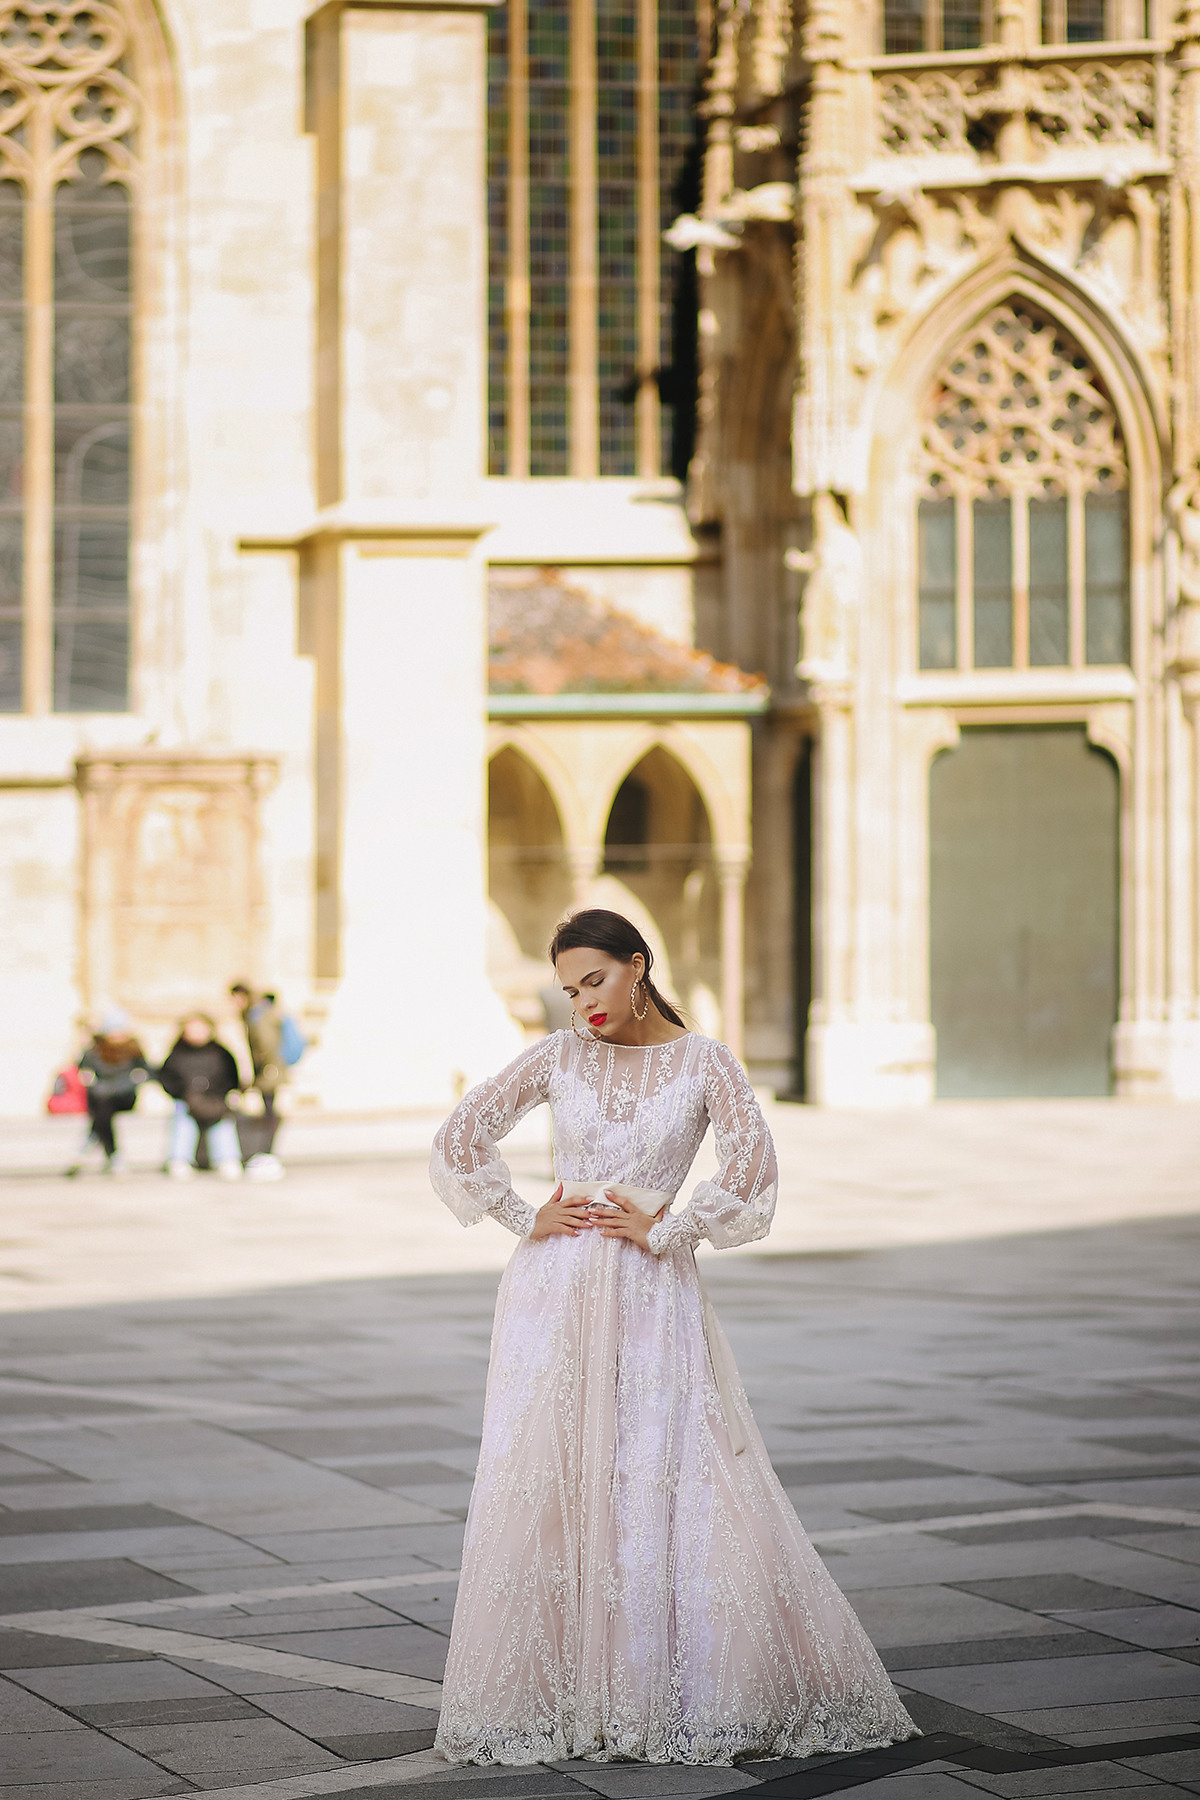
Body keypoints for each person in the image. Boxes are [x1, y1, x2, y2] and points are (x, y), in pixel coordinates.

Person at [429, 907, 917, 1768]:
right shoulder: (558, 1054)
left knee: (665, 1464)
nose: (585, 1002)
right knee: (551, 1471)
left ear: (638, 965)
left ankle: (661, 1681)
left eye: (597, 980)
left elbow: (754, 1168)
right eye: (570, 988)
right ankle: (561, 1687)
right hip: (554, 1289)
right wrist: (523, 1215)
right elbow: (461, 1134)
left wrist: (675, 1230)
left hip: (652, 1287)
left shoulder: (704, 1063)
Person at [157, 1015, 243, 1181]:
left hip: (215, 1099)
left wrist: (218, 1093)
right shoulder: (177, 1053)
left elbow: (232, 1077)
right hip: (186, 1100)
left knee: (222, 1120)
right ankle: (179, 1159)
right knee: (181, 1115)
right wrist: (183, 1093)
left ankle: (227, 1159)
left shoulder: (221, 1053)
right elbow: (166, 1078)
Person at [66, 1009, 149, 1177]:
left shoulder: (134, 1049)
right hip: (102, 1097)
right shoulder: (94, 1050)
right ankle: (114, 1156)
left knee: (103, 1107)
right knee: (104, 1107)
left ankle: (88, 1145)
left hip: (125, 1096)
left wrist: (132, 1082)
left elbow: (145, 1072)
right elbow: (83, 1071)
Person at [229, 982, 286, 1180]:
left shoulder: (257, 1014)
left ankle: (267, 1153)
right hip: (268, 1069)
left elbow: (266, 1042)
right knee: (268, 1110)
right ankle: (266, 1153)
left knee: (269, 1111)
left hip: (269, 1071)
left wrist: (262, 1066)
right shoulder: (255, 1012)